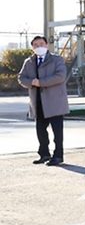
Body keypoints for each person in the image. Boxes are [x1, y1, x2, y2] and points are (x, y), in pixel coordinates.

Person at [18, 35, 69, 166]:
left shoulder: (56, 60)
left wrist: (41, 83)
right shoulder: (29, 62)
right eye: (35, 45)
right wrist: (32, 83)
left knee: (57, 131)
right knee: (40, 130)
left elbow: (60, 76)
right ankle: (44, 154)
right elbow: (21, 78)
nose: (38, 47)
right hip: (38, 101)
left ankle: (58, 156)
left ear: (47, 45)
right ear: (32, 48)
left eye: (41, 44)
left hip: (55, 101)